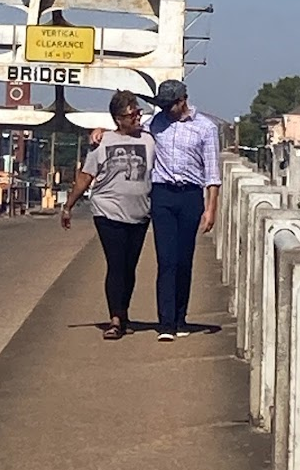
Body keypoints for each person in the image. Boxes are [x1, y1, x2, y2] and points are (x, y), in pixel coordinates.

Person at [90, 79, 221, 343]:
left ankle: (180, 317)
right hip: (162, 195)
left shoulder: (206, 128)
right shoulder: (154, 124)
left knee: (184, 260)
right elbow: (126, 129)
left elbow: (212, 174)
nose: (165, 110)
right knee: (166, 260)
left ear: (182, 101)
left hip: (190, 195)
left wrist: (211, 210)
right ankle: (166, 323)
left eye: (169, 105)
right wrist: (99, 131)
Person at [62, 90, 155, 340]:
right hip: (108, 211)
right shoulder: (102, 143)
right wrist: (68, 205)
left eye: (138, 112)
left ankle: (123, 313)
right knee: (116, 264)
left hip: (140, 213)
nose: (137, 117)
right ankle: (115, 319)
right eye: (131, 113)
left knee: (129, 266)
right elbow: (86, 176)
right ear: (118, 119)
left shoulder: (150, 140)